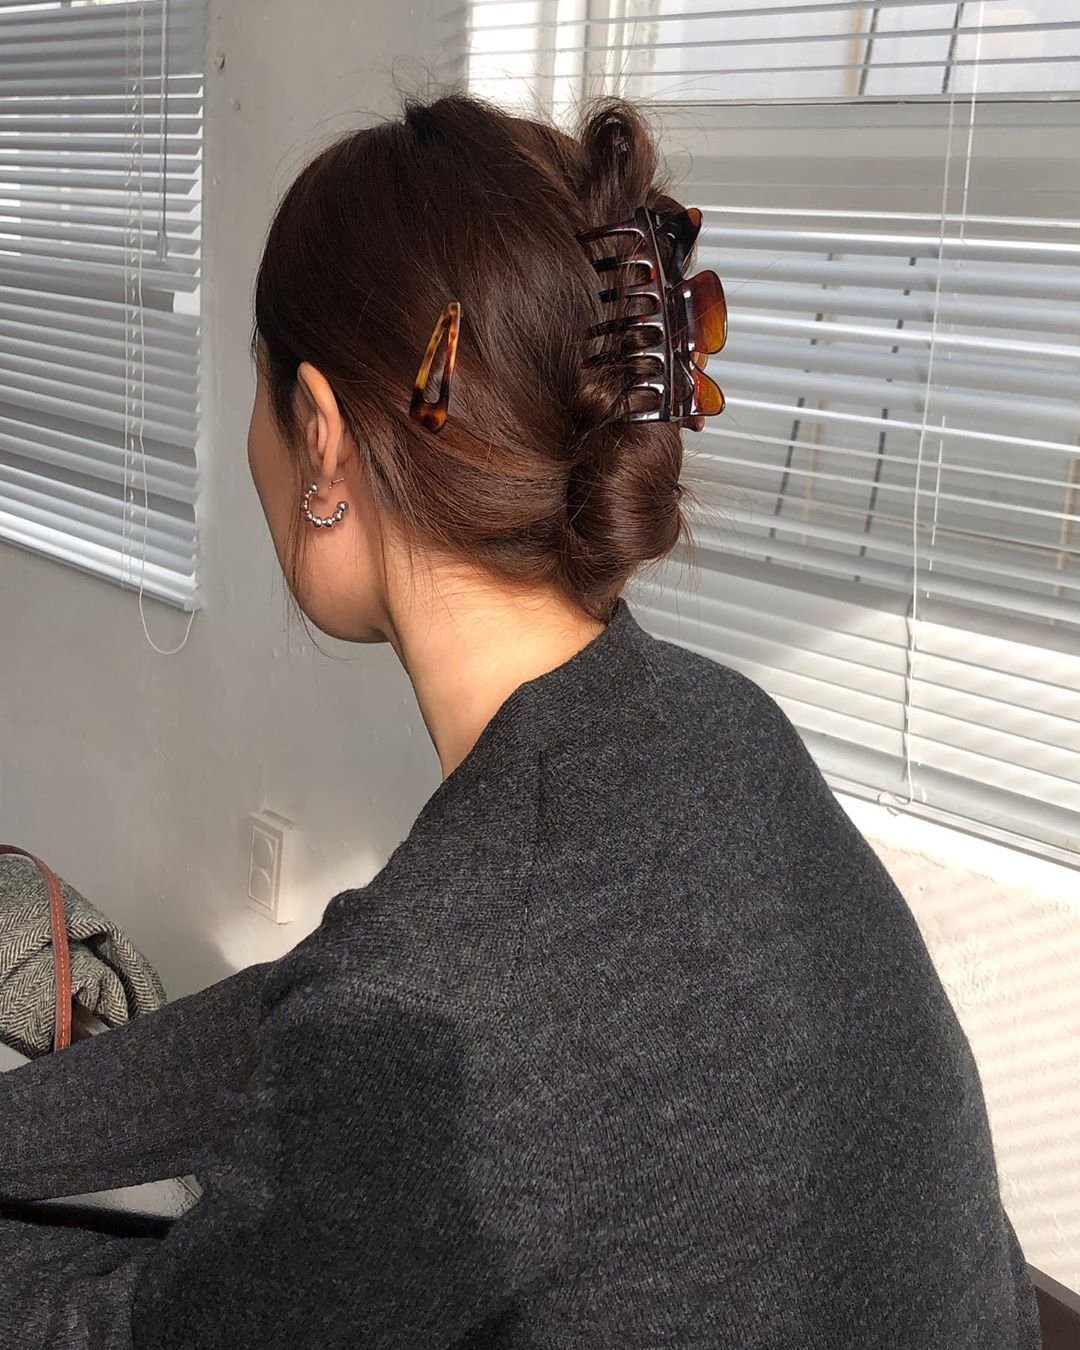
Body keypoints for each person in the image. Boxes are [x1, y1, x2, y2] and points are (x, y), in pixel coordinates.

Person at [0, 92, 1041, 1350]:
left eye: (260, 394)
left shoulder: (428, 1008)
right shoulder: (723, 726)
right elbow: (313, 1010)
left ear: (320, 436)